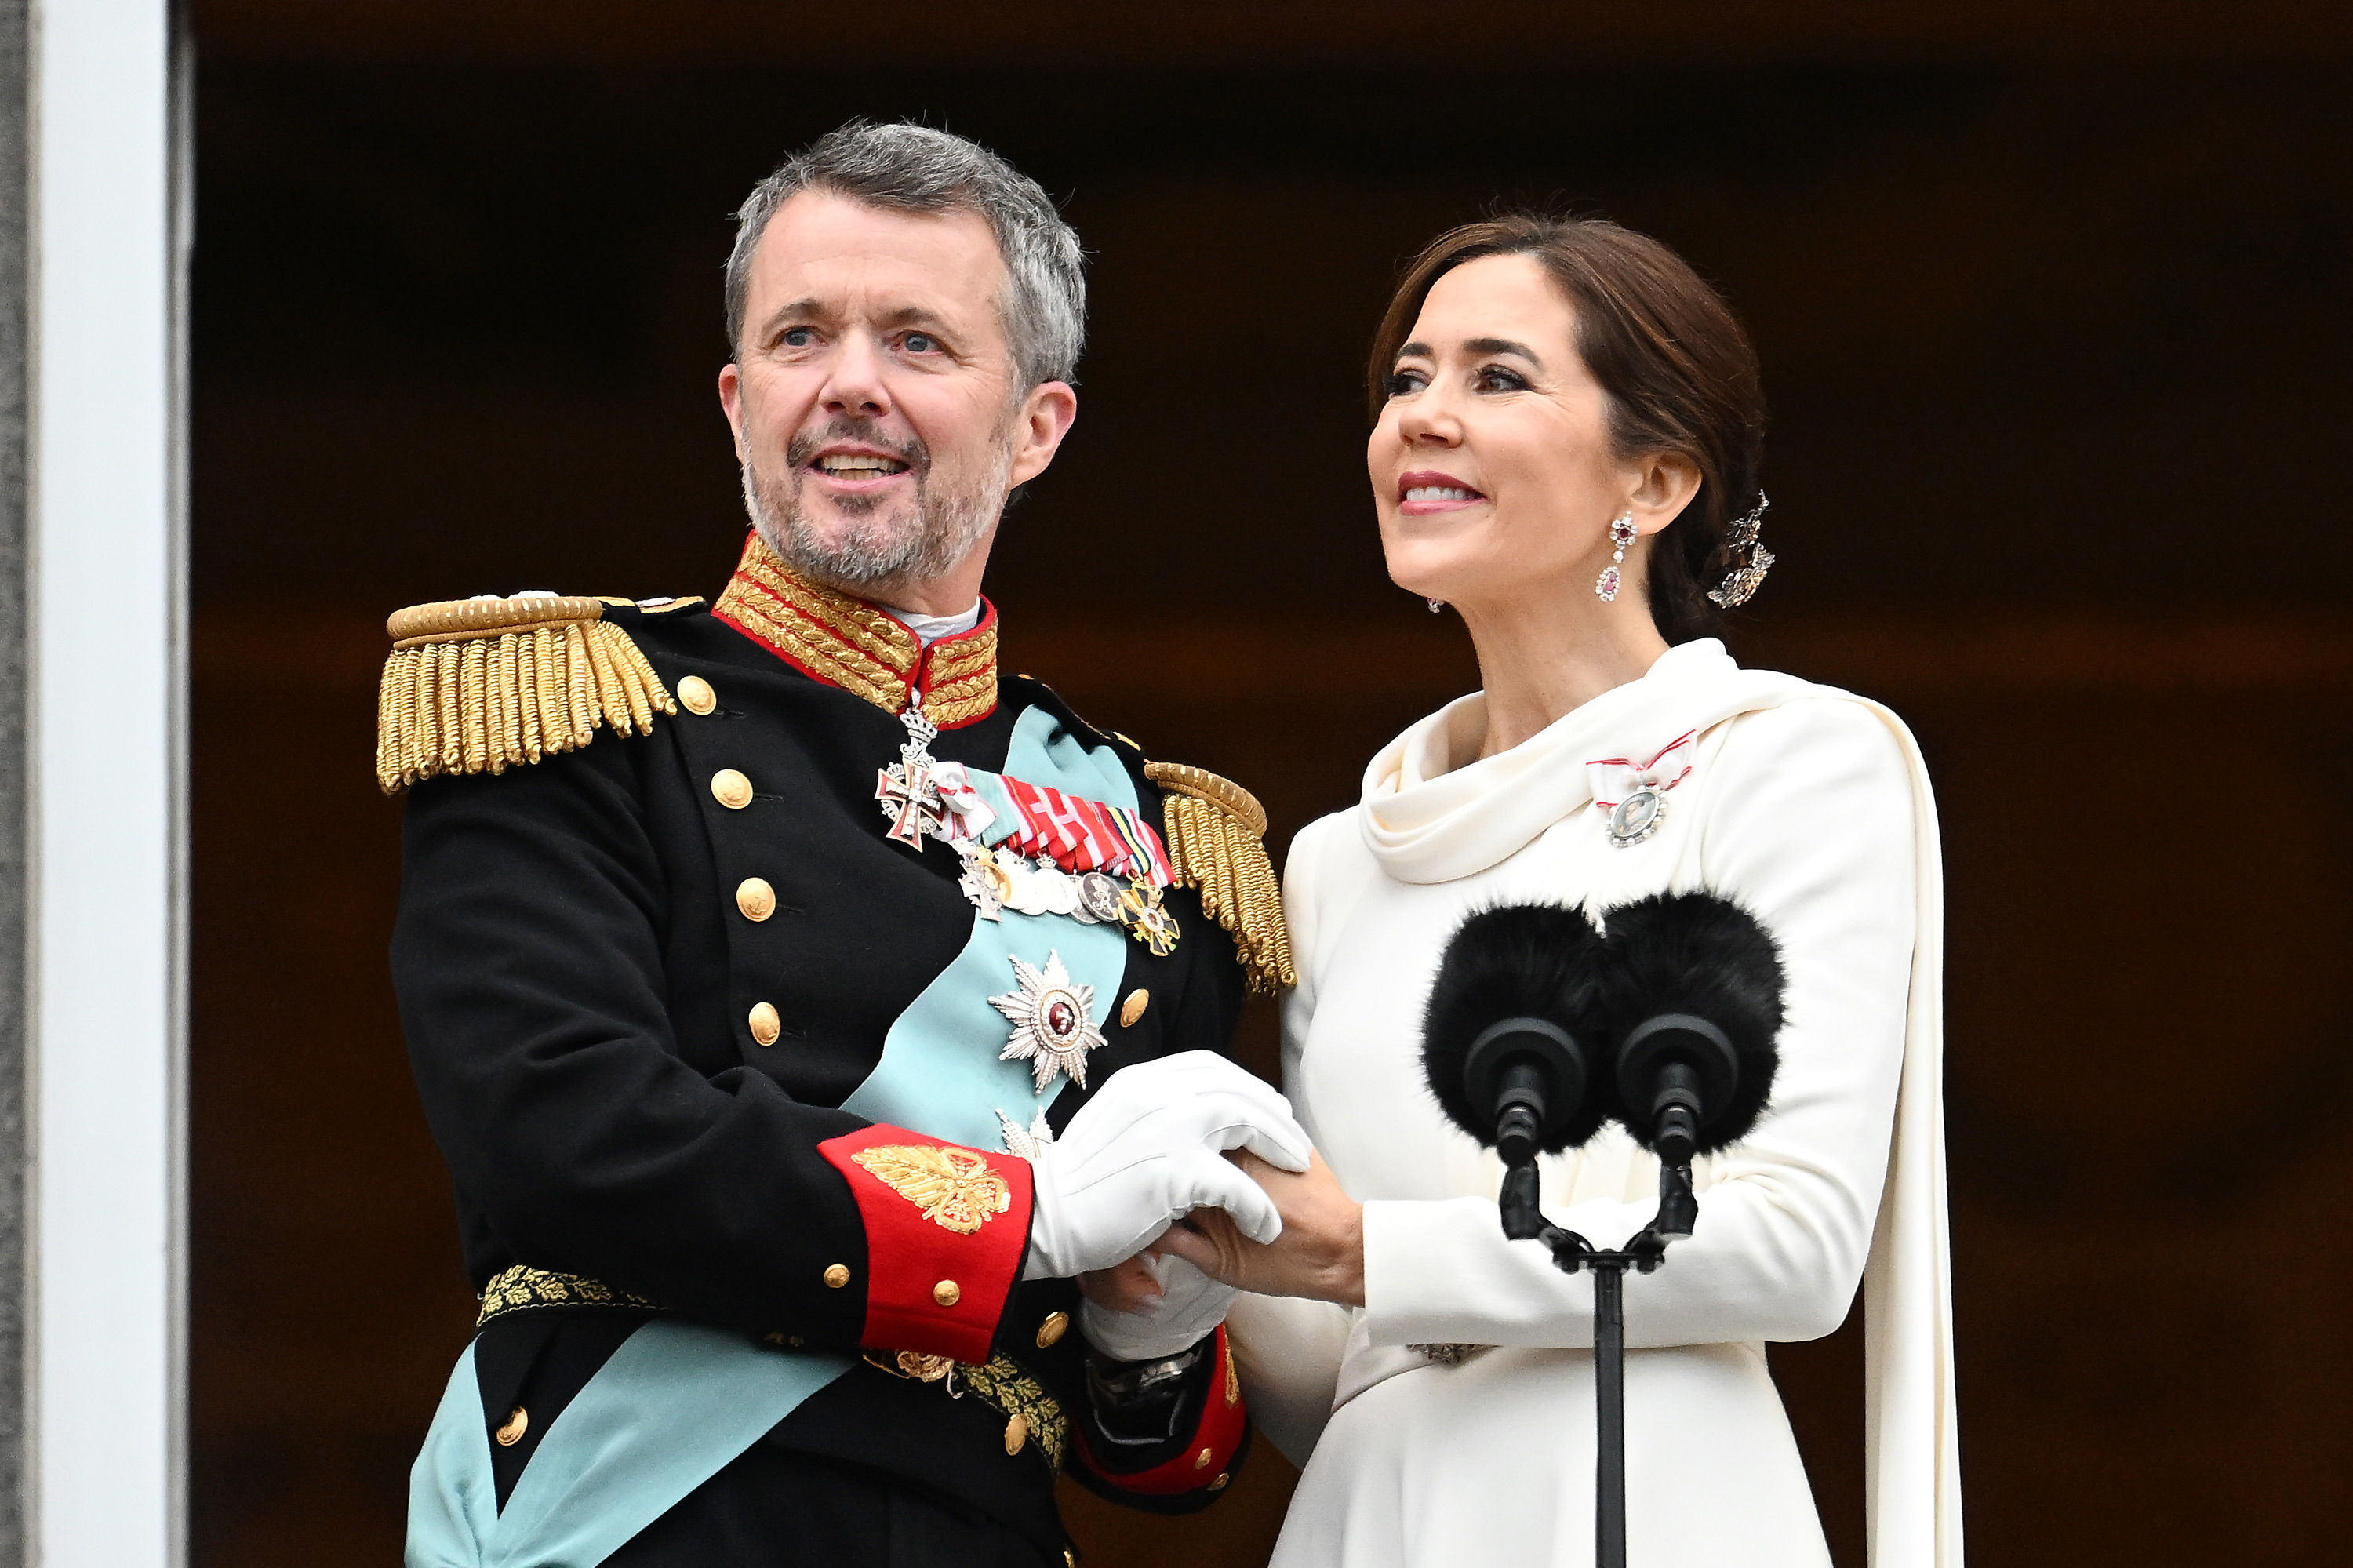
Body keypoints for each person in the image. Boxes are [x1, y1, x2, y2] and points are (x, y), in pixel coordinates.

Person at [383, 122, 1305, 1568]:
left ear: (1038, 426)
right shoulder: (577, 713)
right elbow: (554, 1129)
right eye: (804, 336)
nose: (851, 383)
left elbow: (1158, 1459)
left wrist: (1149, 1341)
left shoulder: (1158, 836)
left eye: (919, 342)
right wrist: (1027, 1217)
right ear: (741, 401)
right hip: (644, 1528)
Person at [1151, 215, 1962, 1566]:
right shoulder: (1340, 856)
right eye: (1407, 381)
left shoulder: (1789, 766)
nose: (1425, 417)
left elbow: (1796, 1245)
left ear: (1652, 477)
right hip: (1378, 1519)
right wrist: (1185, 1259)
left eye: (1496, 377)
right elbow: (1346, 1367)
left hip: (1650, 1502)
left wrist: (1368, 1253)